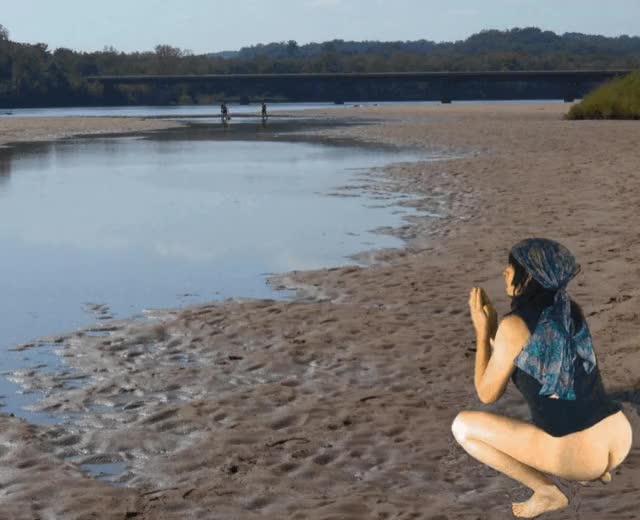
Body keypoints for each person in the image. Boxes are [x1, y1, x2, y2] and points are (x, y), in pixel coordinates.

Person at [452, 238, 633, 518]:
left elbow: (486, 393)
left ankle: (547, 492)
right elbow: (526, 357)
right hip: (619, 436)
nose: (504, 272)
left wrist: (481, 330)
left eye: (511, 268)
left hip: (579, 451)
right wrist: (496, 333)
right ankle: (595, 469)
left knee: (462, 427)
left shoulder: (514, 326)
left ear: (529, 277)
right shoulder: (569, 310)